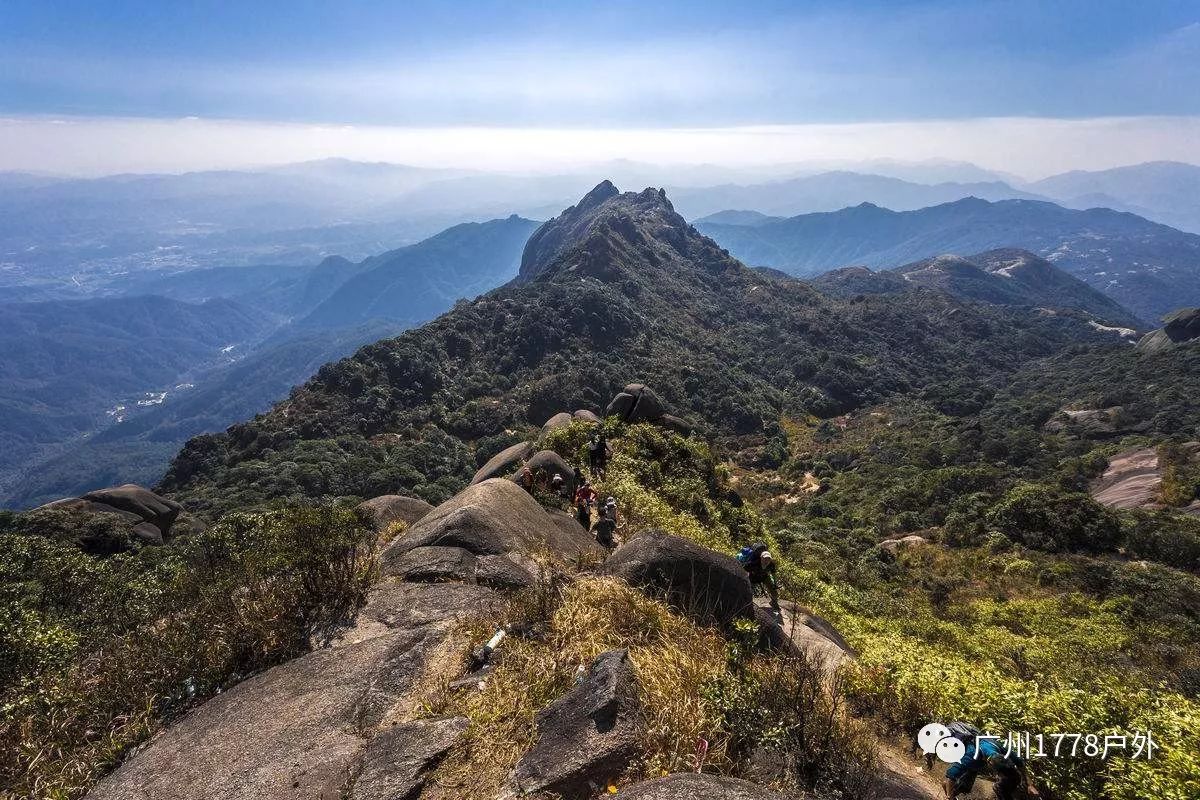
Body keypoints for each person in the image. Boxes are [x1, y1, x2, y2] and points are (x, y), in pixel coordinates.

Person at [941, 723, 1039, 799]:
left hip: (982, 747)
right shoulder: (970, 757)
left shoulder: (1001, 748)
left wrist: (1030, 785)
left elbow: (1020, 763)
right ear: (989, 763)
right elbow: (950, 777)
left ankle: (954, 790)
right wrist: (950, 797)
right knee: (961, 785)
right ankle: (950, 792)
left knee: (966, 785)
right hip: (966, 749)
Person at [738, 543, 779, 610]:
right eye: (765, 558)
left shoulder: (771, 564)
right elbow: (743, 570)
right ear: (761, 558)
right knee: (749, 592)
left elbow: (773, 574)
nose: (766, 561)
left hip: (764, 577)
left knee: (774, 592)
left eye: (768, 559)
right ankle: (747, 604)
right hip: (753, 578)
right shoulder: (753, 564)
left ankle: (773, 603)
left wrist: (775, 584)